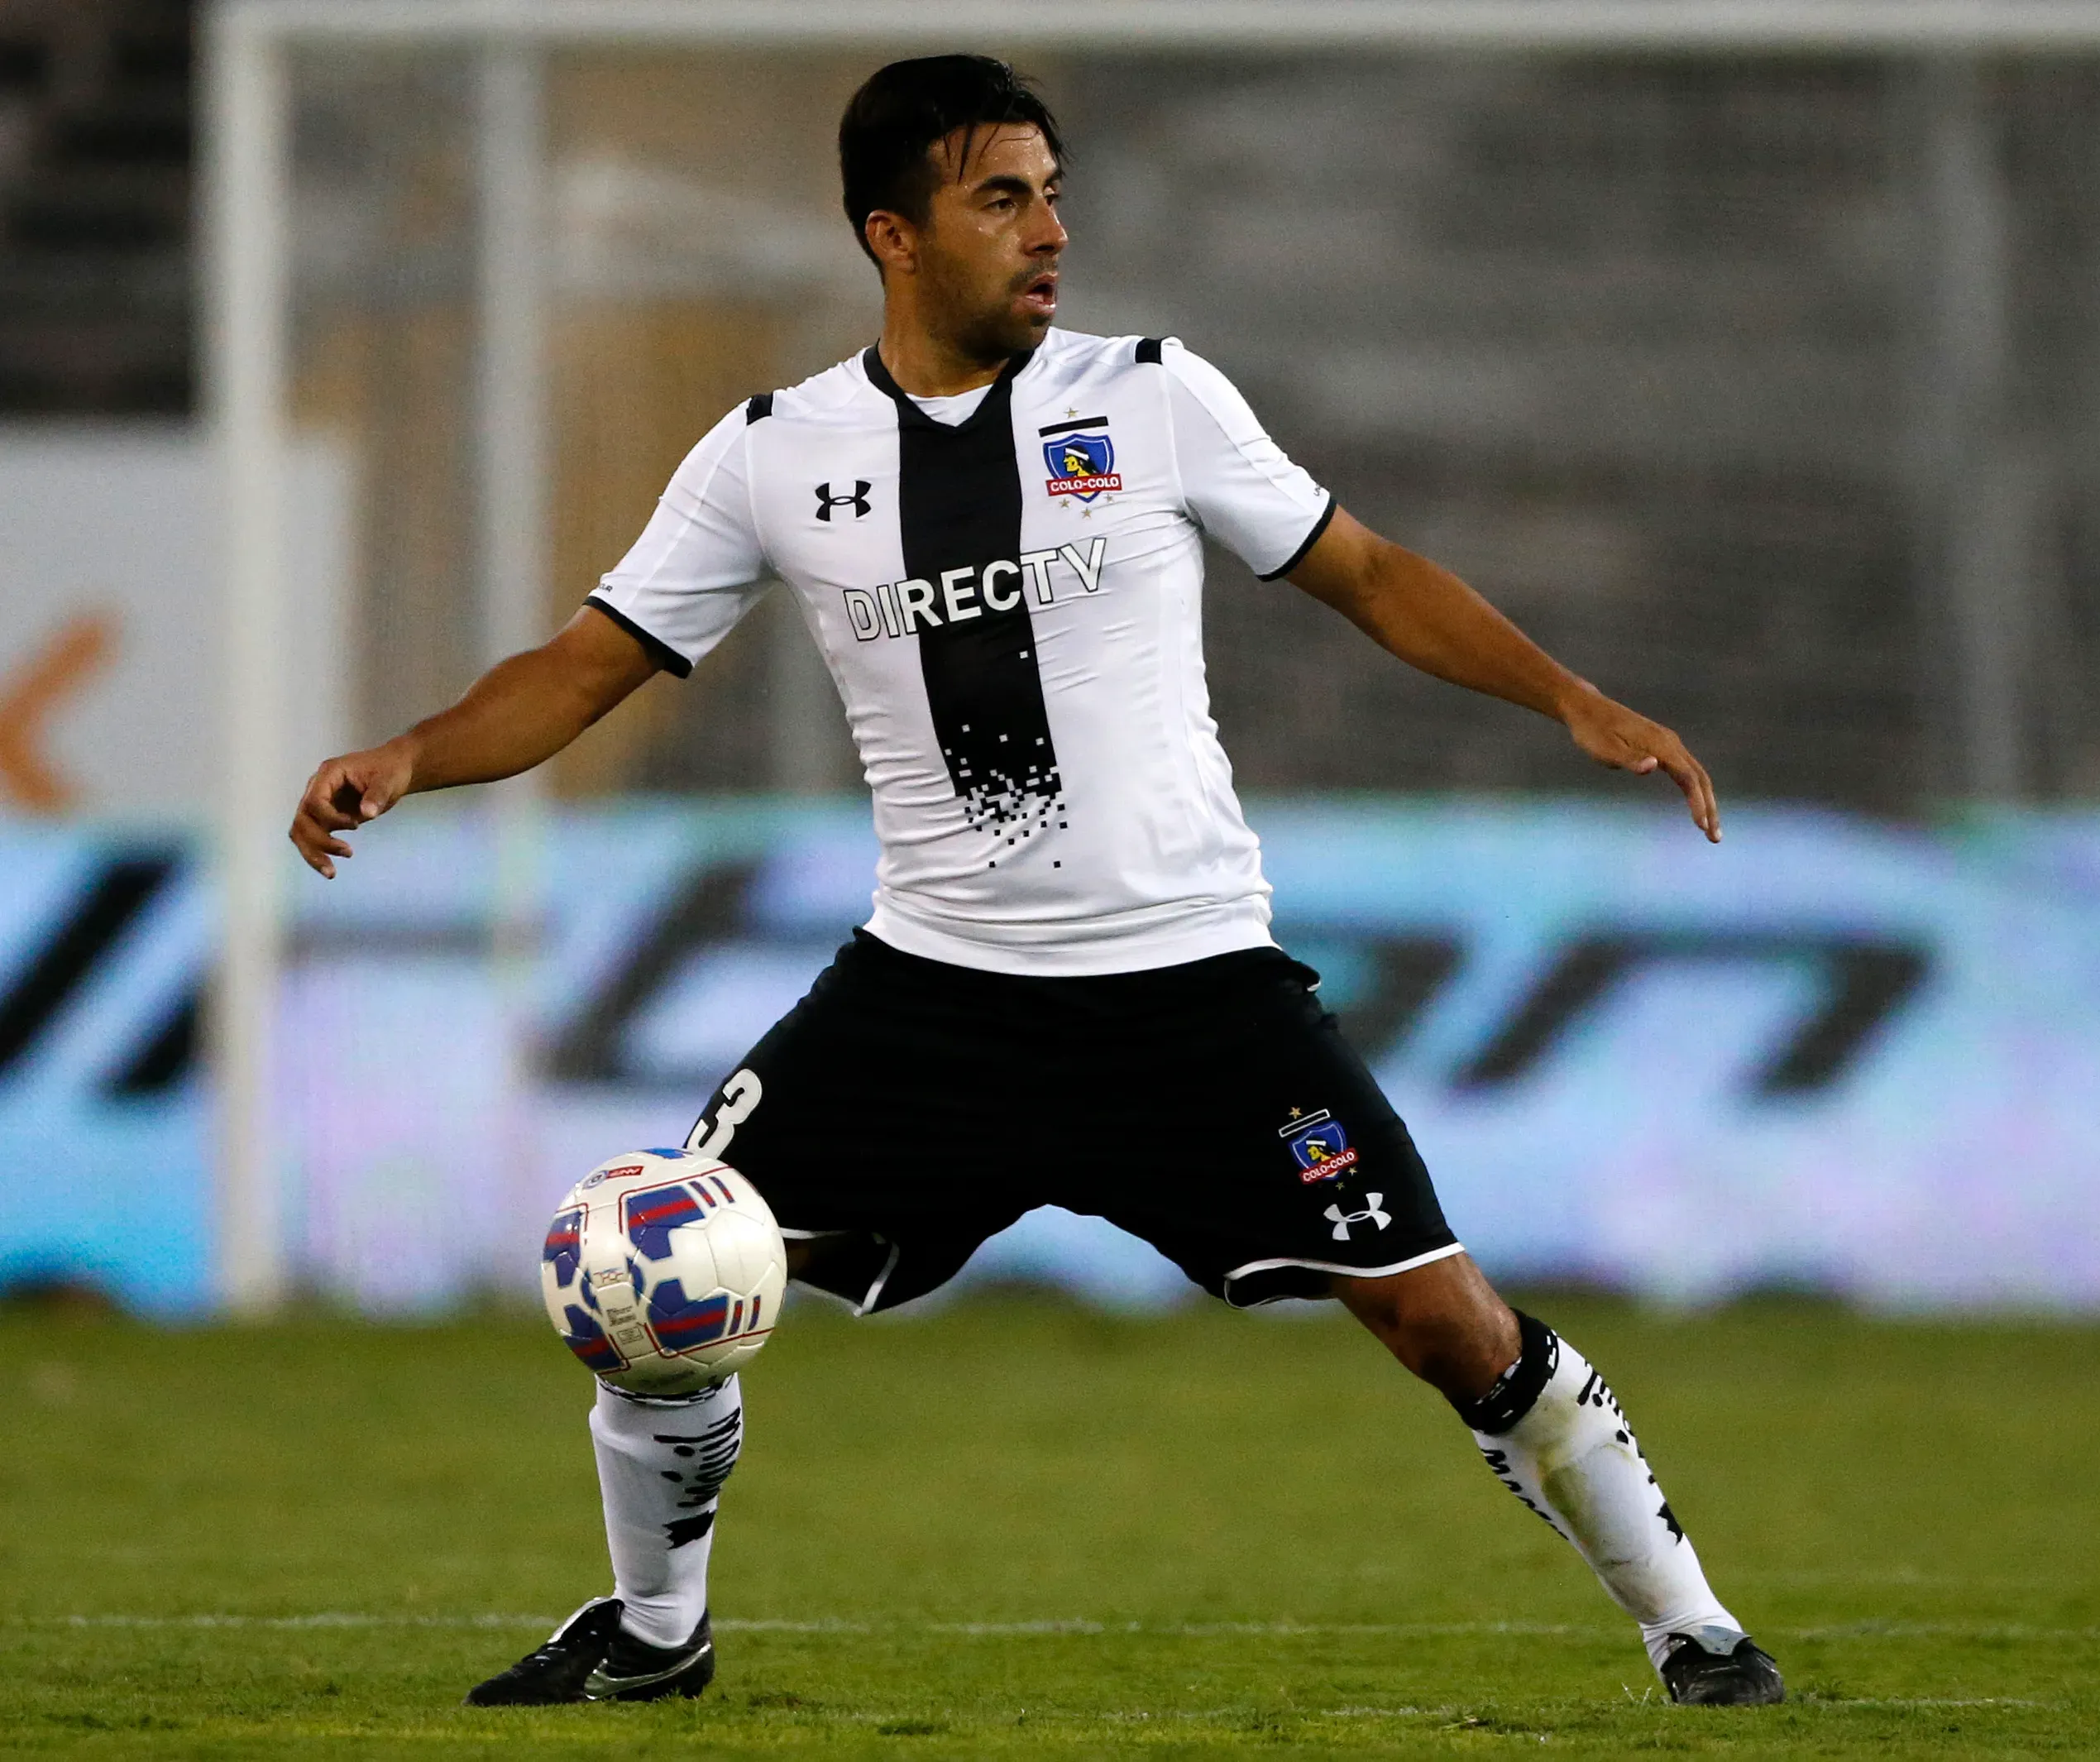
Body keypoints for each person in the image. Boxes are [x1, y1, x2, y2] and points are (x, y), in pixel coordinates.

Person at [289, 55, 1780, 1712]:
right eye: (1002, 197)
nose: (1049, 230)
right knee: (652, 1267)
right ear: (893, 232)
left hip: (1194, 996)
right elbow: (584, 667)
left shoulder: (1151, 397)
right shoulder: (774, 453)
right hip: (930, 999)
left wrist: (1568, 694)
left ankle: (1693, 1628)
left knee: (1450, 1327)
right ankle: (653, 1634)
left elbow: (1360, 571)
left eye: (1054, 192)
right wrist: (413, 753)